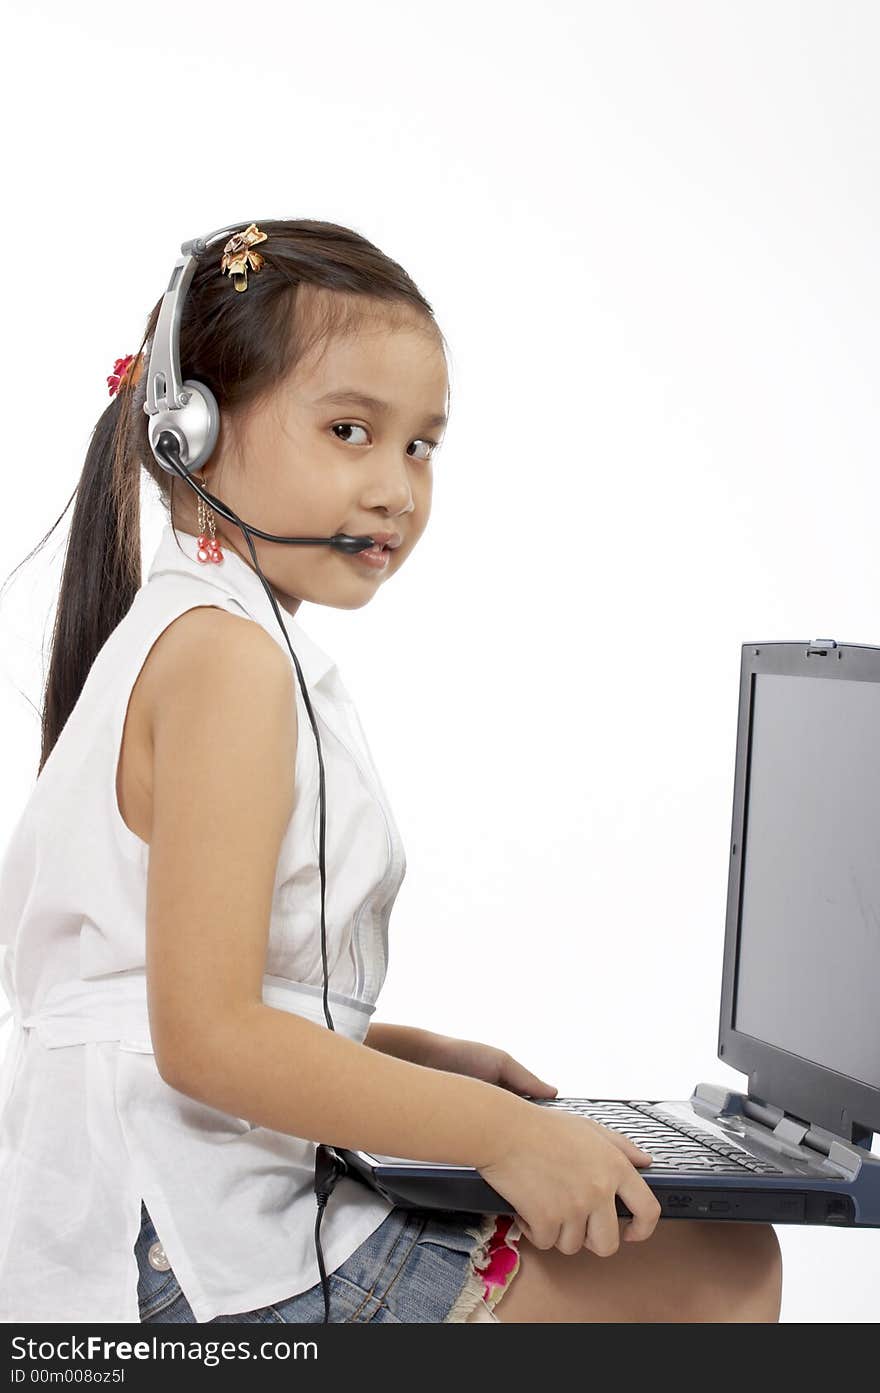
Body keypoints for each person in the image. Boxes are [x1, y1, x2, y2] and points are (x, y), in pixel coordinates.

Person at [0, 218, 782, 1324]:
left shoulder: (203, 632)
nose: (394, 490)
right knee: (719, 1272)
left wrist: (414, 1057)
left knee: (711, 1244)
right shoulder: (226, 664)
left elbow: (169, 991)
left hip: (171, 1210)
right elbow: (206, 1036)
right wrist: (503, 1136)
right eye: (350, 430)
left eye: (419, 447)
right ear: (193, 432)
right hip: (191, 1248)